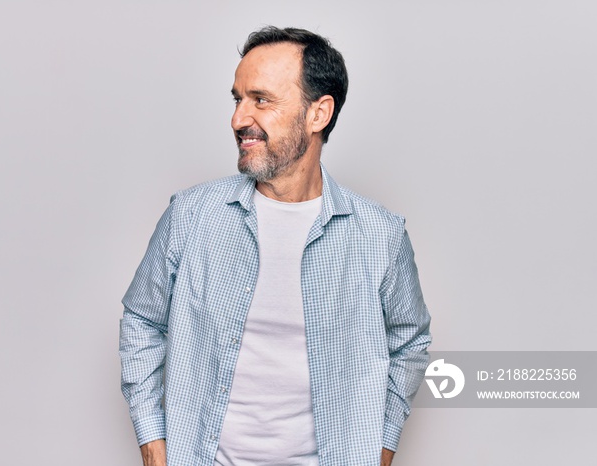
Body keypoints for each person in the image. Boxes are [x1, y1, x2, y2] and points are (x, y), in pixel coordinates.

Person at [119, 26, 431, 466]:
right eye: (237, 99)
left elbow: (410, 342)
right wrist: (153, 442)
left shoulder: (380, 235)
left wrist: (379, 448)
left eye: (261, 100)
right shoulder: (191, 216)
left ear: (318, 114)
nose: (238, 119)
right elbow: (141, 320)